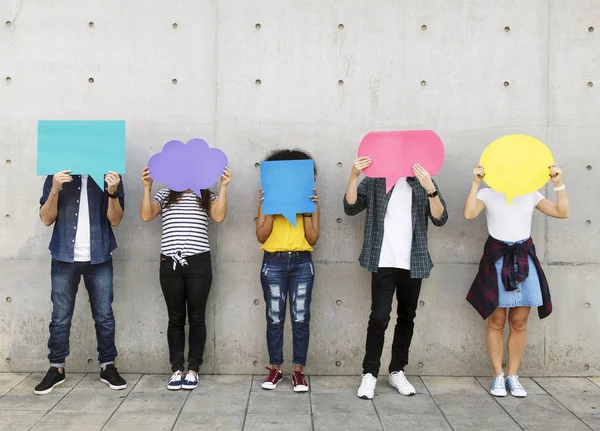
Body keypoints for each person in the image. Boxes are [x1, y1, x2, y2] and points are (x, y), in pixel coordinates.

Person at [344, 158, 448, 400]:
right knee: (379, 317)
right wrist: (353, 176)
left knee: (406, 317)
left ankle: (397, 370)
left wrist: (429, 188)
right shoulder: (375, 180)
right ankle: (369, 374)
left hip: (413, 262)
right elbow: (351, 207)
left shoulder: (423, 180)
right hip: (383, 260)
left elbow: (440, 218)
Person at [464, 163, 569, 398]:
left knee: (520, 321)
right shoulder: (487, 193)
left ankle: (513, 375)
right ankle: (497, 376)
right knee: (497, 320)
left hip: (524, 259)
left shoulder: (530, 193)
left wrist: (558, 183)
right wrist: (476, 182)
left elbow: (562, 212)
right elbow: (469, 213)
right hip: (497, 259)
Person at [140, 166, 232, 390]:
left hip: (199, 262)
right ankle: (176, 369)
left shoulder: (206, 196)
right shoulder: (165, 195)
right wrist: (147, 187)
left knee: (197, 318)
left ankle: (193, 370)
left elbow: (219, 216)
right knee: (175, 318)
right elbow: (146, 215)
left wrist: (224, 186)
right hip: (170, 262)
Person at [35, 170, 126, 395]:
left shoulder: (110, 175)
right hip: (63, 256)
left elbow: (115, 220)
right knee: (60, 317)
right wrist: (55, 188)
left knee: (104, 316)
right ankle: (56, 368)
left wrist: (112, 193)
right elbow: (46, 219)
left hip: (100, 257)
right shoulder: (56, 175)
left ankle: (108, 366)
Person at [256, 149, 319, 392]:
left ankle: (299, 372)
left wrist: (307, 211)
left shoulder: (310, 200)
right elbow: (260, 235)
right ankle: (275, 369)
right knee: (274, 317)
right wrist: (271, 209)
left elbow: (313, 238)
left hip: (302, 261)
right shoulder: (266, 200)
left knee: (301, 317)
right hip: (273, 261)